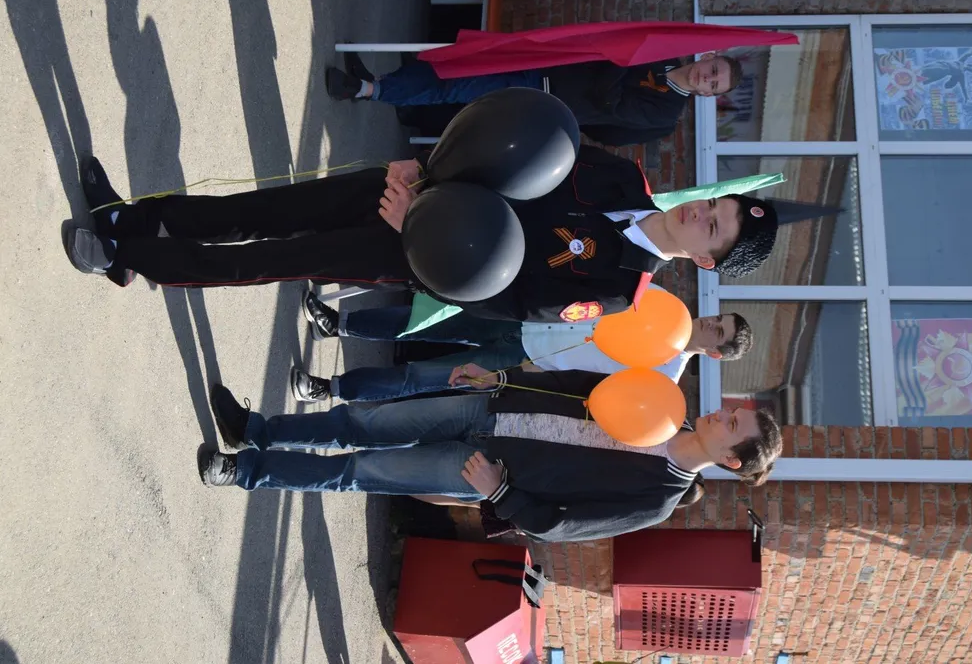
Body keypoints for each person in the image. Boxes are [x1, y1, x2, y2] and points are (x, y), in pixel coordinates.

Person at [66, 146, 777, 321]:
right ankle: (131, 218)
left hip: (409, 247)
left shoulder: (618, 288)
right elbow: (507, 152)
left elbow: (504, 300)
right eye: (716, 205)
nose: (701, 214)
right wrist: (424, 164)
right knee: (265, 209)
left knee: (271, 258)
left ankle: (130, 257)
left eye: (713, 229)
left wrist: (419, 232)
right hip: (409, 187)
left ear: (705, 261)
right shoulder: (622, 177)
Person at [197, 367, 782, 543]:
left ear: (732, 460)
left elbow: (562, 525)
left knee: (357, 470)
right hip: (487, 407)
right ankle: (255, 430)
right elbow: (581, 383)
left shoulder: (657, 501)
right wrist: (503, 378)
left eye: (732, 425)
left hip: (483, 471)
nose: (720, 413)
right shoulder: (666, 405)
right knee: (364, 421)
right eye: (731, 409)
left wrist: (499, 492)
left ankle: (243, 470)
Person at [288, 286, 753, 403]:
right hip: (533, 315)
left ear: (714, 353)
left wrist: (526, 380)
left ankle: (330, 389)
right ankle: (338, 322)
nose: (708, 321)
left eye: (717, 330)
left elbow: (597, 391)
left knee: (422, 377)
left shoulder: (665, 377)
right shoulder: (667, 304)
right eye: (717, 317)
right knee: (428, 318)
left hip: (529, 360)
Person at [328, 52, 741, 146]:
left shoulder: (665, 115)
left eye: (713, 84)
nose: (706, 77)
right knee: (459, 65)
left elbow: (610, 104)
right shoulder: (662, 54)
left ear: (708, 95)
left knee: (457, 87)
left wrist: (624, 59)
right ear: (708, 57)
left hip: (542, 98)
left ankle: (367, 90)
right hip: (547, 62)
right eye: (713, 69)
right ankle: (378, 83)